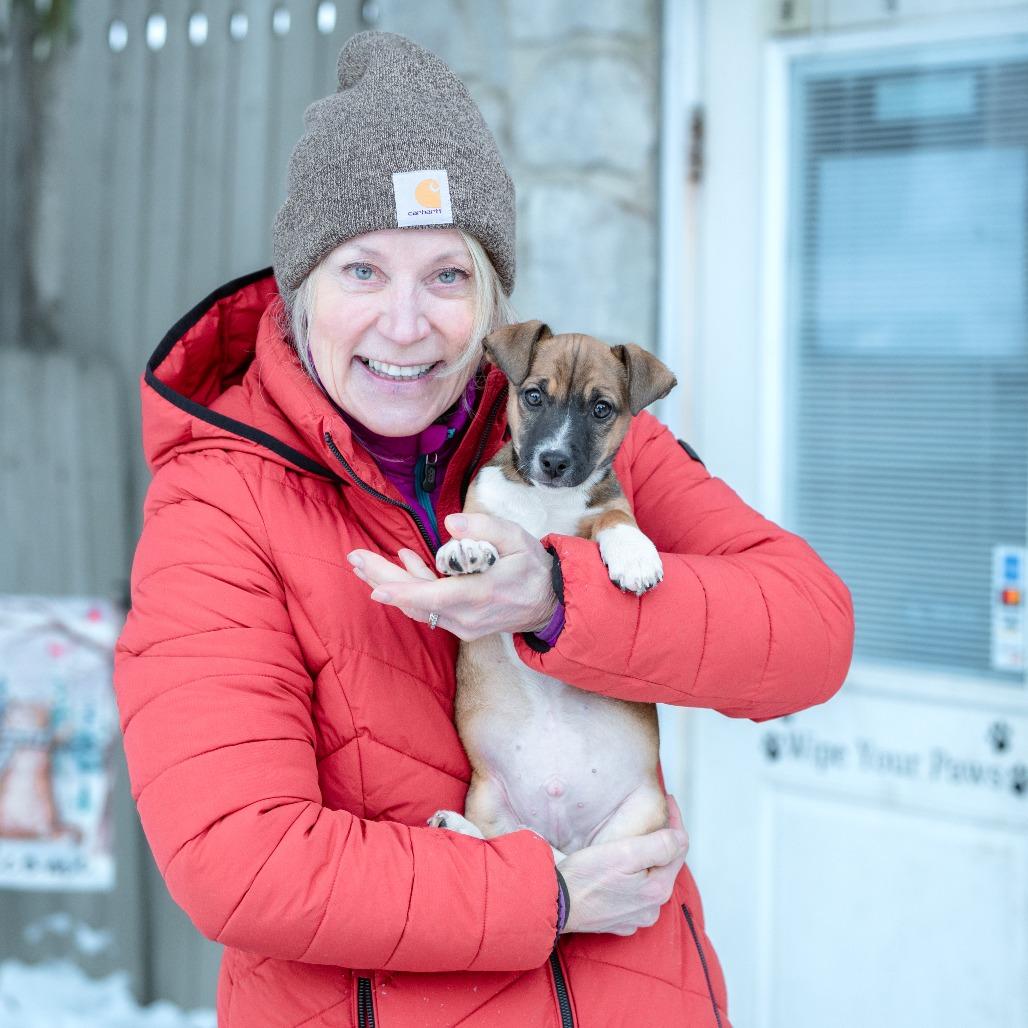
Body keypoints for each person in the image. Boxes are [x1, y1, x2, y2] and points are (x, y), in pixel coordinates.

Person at [114, 30, 854, 1028]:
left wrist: (560, 599)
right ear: (299, 291)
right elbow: (239, 863)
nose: (406, 323)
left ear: (493, 294)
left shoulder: (584, 442)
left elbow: (811, 632)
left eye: (447, 275)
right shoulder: (218, 507)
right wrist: (549, 898)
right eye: (362, 270)